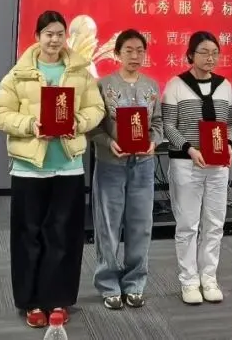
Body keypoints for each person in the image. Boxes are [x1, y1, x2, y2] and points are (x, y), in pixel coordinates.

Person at [0, 10, 105, 330]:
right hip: (29, 168)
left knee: (63, 236)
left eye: (59, 34)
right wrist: (31, 125)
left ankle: (57, 299)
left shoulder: (80, 71)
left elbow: (96, 108)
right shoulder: (19, 73)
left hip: (67, 167)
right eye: (48, 34)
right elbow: (1, 112)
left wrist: (77, 123)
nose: (54, 40)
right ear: (37, 37)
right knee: (28, 235)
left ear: (65, 36)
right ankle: (30, 301)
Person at [161, 30, 232, 306]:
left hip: (218, 166)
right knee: (187, 225)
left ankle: (209, 278)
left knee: (215, 224)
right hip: (187, 164)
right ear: (190, 55)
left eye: (215, 53)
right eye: (204, 52)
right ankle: (189, 281)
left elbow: (231, 123)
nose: (210, 58)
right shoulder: (176, 85)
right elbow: (168, 125)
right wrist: (189, 149)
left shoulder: (225, 85)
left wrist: (229, 144)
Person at [88, 28, 163, 310]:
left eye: (140, 51)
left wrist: (154, 142)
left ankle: (135, 283)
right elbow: (93, 127)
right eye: (129, 50)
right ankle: (108, 284)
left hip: (143, 165)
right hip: (111, 164)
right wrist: (109, 143)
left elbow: (157, 123)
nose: (135, 56)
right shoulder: (103, 85)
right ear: (117, 53)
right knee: (108, 225)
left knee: (141, 225)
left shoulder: (152, 86)